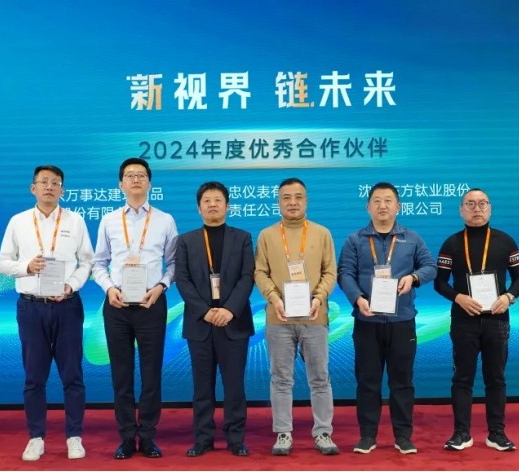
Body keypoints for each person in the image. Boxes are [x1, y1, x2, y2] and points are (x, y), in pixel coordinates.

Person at [0, 165, 94, 461]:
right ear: (33, 188)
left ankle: (74, 436)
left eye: (55, 183)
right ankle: (36, 437)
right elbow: (2, 263)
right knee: (34, 377)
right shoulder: (19, 221)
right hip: (31, 307)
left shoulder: (75, 221)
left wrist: (71, 284)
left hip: (67, 306)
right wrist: (25, 267)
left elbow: (87, 262)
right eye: (44, 182)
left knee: (72, 375)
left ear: (62, 190)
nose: (49, 187)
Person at [337, 182, 437, 455]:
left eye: (388, 201)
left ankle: (403, 436)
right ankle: (367, 436)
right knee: (367, 381)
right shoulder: (355, 240)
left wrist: (413, 278)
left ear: (398, 206)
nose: (382, 206)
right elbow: (345, 273)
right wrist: (358, 298)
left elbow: (430, 267)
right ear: (368, 207)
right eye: (377, 201)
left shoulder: (411, 238)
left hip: (402, 321)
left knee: (402, 381)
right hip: (367, 321)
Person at [92, 157, 178, 460]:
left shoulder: (165, 220)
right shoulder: (109, 220)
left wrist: (161, 287)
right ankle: (127, 437)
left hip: (151, 303)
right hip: (117, 305)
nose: (136, 180)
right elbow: (98, 263)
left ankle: (149, 436)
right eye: (130, 175)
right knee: (121, 373)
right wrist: (109, 288)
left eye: (141, 175)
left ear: (150, 183)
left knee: (151, 374)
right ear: (121, 184)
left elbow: (174, 263)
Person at [434, 188, 519, 452]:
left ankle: (497, 433)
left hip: (497, 319)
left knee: (496, 378)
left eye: (482, 203)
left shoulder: (505, 241)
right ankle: (461, 433)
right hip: (464, 319)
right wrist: (458, 297)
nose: (477, 209)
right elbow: (440, 283)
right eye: (470, 204)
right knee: (462, 378)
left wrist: (508, 297)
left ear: (490, 208)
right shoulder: (451, 243)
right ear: (461, 210)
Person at [254, 177, 339, 456]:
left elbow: (330, 272)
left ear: (306, 201)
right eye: (286, 197)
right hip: (279, 319)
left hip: (314, 317)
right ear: (278, 202)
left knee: (320, 377)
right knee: (280, 379)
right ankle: (283, 433)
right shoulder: (267, 235)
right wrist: (274, 298)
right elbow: (260, 272)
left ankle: (323, 432)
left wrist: (318, 298)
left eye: (298, 197)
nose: (292, 202)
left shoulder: (322, 233)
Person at [175, 181, 255, 458]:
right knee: (202, 386)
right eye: (206, 201)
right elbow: (182, 280)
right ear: (199, 208)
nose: (212, 205)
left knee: (234, 386)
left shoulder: (242, 238)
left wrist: (229, 309)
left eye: (217, 200)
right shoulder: (186, 241)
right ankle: (203, 438)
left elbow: (247, 277)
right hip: (200, 323)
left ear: (227, 206)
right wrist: (205, 311)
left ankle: (236, 438)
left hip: (234, 322)